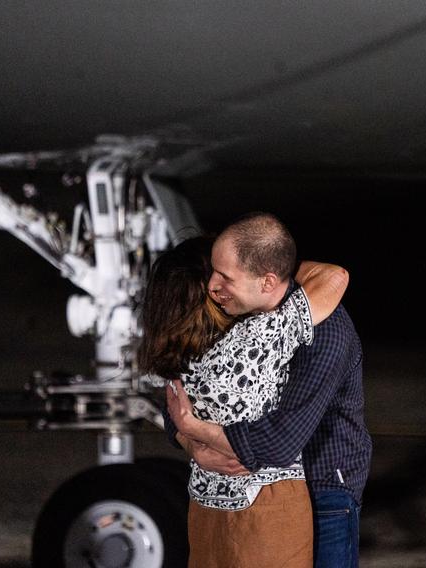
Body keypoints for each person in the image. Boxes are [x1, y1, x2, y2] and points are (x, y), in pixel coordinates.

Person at [139, 213, 349, 567]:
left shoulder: (176, 358)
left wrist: (192, 434)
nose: (218, 284)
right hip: (268, 506)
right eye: (216, 275)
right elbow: (334, 276)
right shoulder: (256, 339)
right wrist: (272, 274)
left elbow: (173, 411)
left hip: (204, 504)